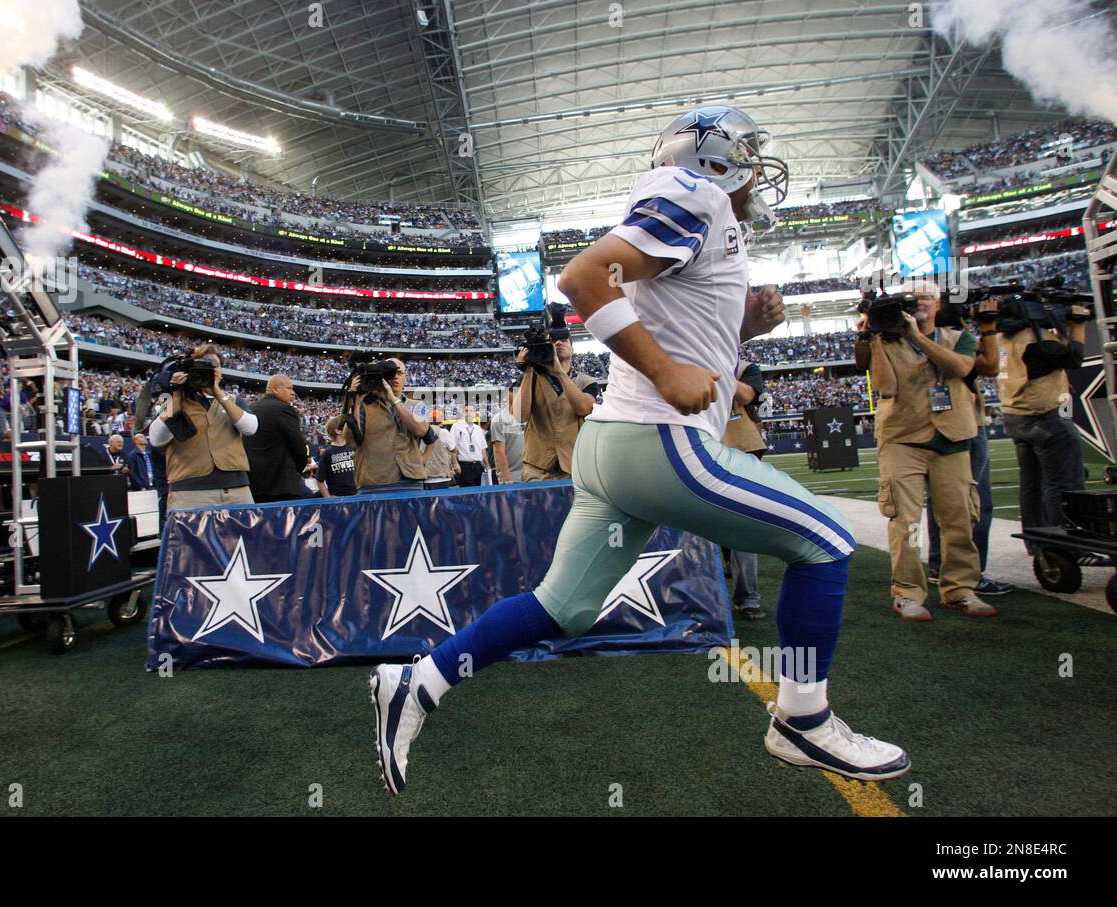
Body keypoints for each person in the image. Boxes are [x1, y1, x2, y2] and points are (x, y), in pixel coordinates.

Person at [369, 105, 909, 796]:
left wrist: (741, 328)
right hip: (656, 441)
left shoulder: (703, 216)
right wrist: (662, 371)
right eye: (745, 153)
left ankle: (419, 681)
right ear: (714, 160)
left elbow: (687, 341)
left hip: (614, 447)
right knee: (826, 539)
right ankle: (804, 717)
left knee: (563, 606)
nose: (756, 172)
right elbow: (584, 277)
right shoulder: (697, 193)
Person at [860, 281, 992, 620]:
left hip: (952, 435)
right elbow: (886, 387)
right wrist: (873, 337)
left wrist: (915, 336)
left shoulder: (956, 336)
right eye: (912, 299)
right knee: (905, 521)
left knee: (959, 517)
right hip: (903, 436)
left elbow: (963, 368)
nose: (919, 304)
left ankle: (960, 589)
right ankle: (907, 592)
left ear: (938, 304)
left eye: (926, 298)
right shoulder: (886, 341)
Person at [924, 299, 1014, 597]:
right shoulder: (953, 339)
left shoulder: (931, 340)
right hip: (961, 424)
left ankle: (942, 566)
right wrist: (987, 327)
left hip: (943, 424)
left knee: (944, 502)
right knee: (972, 503)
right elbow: (990, 366)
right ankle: (968, 573)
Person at [997, 294, 1088, 547]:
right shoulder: (1037, 341)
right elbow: (1074, 358)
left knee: (1031, 486)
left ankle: (1038, 544)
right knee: (1064, 484)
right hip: (1046, 416)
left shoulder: (1002, 338)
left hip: (1017, 417)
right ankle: (1065, 546)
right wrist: (1078, 325)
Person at [148, 344, 258, 510]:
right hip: (190, 491)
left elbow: (250, 428)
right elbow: (157, 439)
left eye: (215, 365)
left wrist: (219, 394)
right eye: (203, 364)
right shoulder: (172, 400)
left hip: (236, 489)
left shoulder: (234, 400)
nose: (210, 369)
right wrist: (174, 395)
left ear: (221, 371)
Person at [329, 358, 433, 492]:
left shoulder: (416, 405)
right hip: (374, 481)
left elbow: (420, 430)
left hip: (410, 479)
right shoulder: (363, 406)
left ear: (405, 379)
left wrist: (393, 399)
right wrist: (355, 403)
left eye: (399, 373)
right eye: (389, 372)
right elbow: (351, 442)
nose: (395, 376)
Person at [720, 359, 768, 620]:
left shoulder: (744, 367)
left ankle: (747, 597)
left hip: (740, 451)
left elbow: (748, 394)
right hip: (698, 448)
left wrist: (713, 368)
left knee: (743, 526)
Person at [515, 333, 598, 481]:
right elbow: (519, 416)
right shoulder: (528, 378)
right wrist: (528, 370)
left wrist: (558, 372)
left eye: (564, 339)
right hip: (537, 467)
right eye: (552, 340)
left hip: (574, 465)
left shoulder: (586, 381)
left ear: (572, 347)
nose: (559, 343)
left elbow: (584, 409)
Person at [245, 374, 309, 503]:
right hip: (281, 484)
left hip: (253, 485)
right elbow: (298, 445)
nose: (292, 393)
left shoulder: (249, 408)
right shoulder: (284, 409)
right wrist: (299, 470)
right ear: (275, 389)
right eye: (289, 388)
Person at [489, 382, 525, 483]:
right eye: (512, 390)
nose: (516, 393)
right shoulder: (499, 418)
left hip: (530, 475)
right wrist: (507, 479)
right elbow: (499, 451)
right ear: (507, 393)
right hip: (512, 476)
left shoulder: (529, 416)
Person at [448, 406, 487, 486]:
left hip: (478, 465)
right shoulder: (456, 427)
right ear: (463, 413)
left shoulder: (478, 429)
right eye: (466, 411)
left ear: (475, 414)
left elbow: (483, 448)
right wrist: (455, 464)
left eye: (471, 411)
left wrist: (487, 465)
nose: (468, 412)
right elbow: (452, 447)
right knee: (467, 494)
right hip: (464, 465)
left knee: (478, 493)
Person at [316, 425, 356, 497]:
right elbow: (319, 480)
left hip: (357, 495)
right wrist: (330, 501)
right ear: (338, 430)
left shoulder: (353, 447)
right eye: (345, 426)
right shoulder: (327, 453)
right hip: (338, 498)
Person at [421, 421, 458, 491]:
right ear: (441, 422)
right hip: (441, 476)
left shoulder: (420, 431)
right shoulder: (443, 432)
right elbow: (454, 449)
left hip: (425, 476)